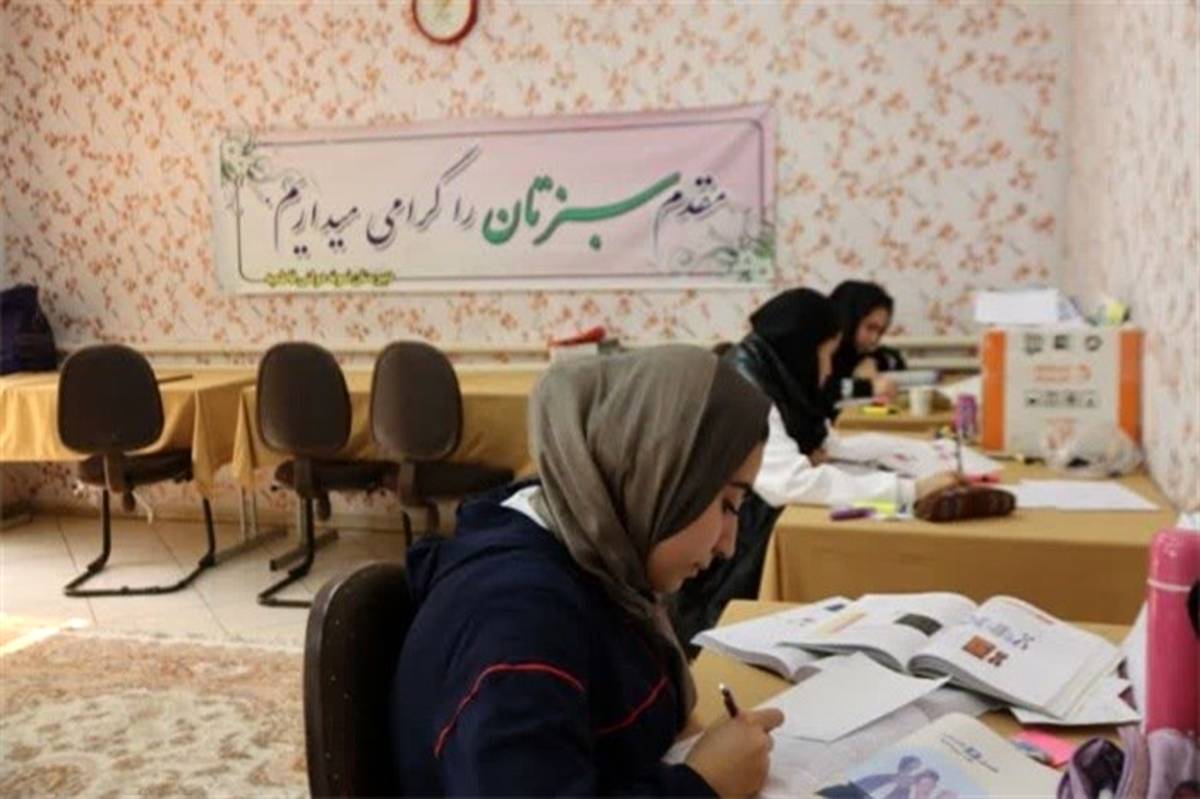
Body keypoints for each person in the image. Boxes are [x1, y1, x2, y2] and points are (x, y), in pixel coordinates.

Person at [389, 345, 785, 797]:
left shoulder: (598, 558)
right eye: (727, 504)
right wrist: (701, 784)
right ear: (660, 476)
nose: (728, 545)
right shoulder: (519, 623)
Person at [670, 289, 960, 647]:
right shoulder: (748, 390)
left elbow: (832, 446)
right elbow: (790, 482)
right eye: (827, 355)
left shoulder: (777, 376)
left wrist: (917, 456)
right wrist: (908, 491)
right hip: (727, 561)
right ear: (803, 349)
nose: (828, 369)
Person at [825, 280, 907, 413]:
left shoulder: (864, 352)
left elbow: (896, 360)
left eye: (881, 331)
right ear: (848, 320)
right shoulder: (822, 351)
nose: (875, 339)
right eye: (870, 328)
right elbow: (820, 391)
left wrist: (873, 361)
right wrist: (869, 387)